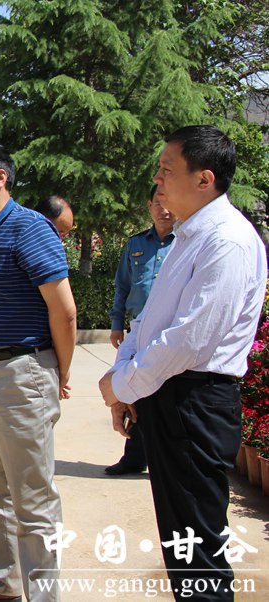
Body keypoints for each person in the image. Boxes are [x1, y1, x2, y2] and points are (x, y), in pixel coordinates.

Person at [99, 125, 266, 602]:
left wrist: (123, 385)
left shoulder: (227, 241)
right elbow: (150, 319)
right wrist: (124, 379)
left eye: (167, 169)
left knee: (198, 549)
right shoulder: (189, 237)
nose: (158, 179)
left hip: (196, 400)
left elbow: (189, 339)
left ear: (204, 179)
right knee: (180, 540)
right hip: (170, 393)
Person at [0, 142, 77, 602]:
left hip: (21, 372)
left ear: (0, 177)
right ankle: (1, 581)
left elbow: (63, 310)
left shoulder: (29, 227)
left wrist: (59, 372)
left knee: (32, 497)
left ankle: (43, 596)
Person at [104, 185, 176, 476]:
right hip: (138, 331)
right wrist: (116, 324)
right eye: (158, 203)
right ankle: (134, 457)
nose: (164, 210)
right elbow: (122, 286)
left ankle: (168, 461)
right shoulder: (136, 243)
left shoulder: (184, 244)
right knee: (134, 392)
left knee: (168, 396)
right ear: (149, 206)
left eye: (168, 203)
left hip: (170, 332)